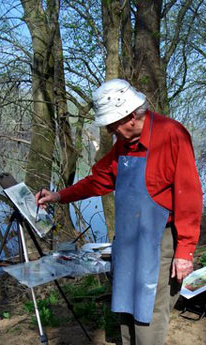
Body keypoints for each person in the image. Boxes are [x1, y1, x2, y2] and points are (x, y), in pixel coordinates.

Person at [35, 79, 202, 345]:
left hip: (161, 239)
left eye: (114, 124)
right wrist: (59, 196)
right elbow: (99, 180)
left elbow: (189, 196)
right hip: (128, 240)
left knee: (149, 311)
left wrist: (184, 252)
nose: (111, 129)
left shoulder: (171, 134)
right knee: (125, 304)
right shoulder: (124, 143)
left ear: (132, 115)